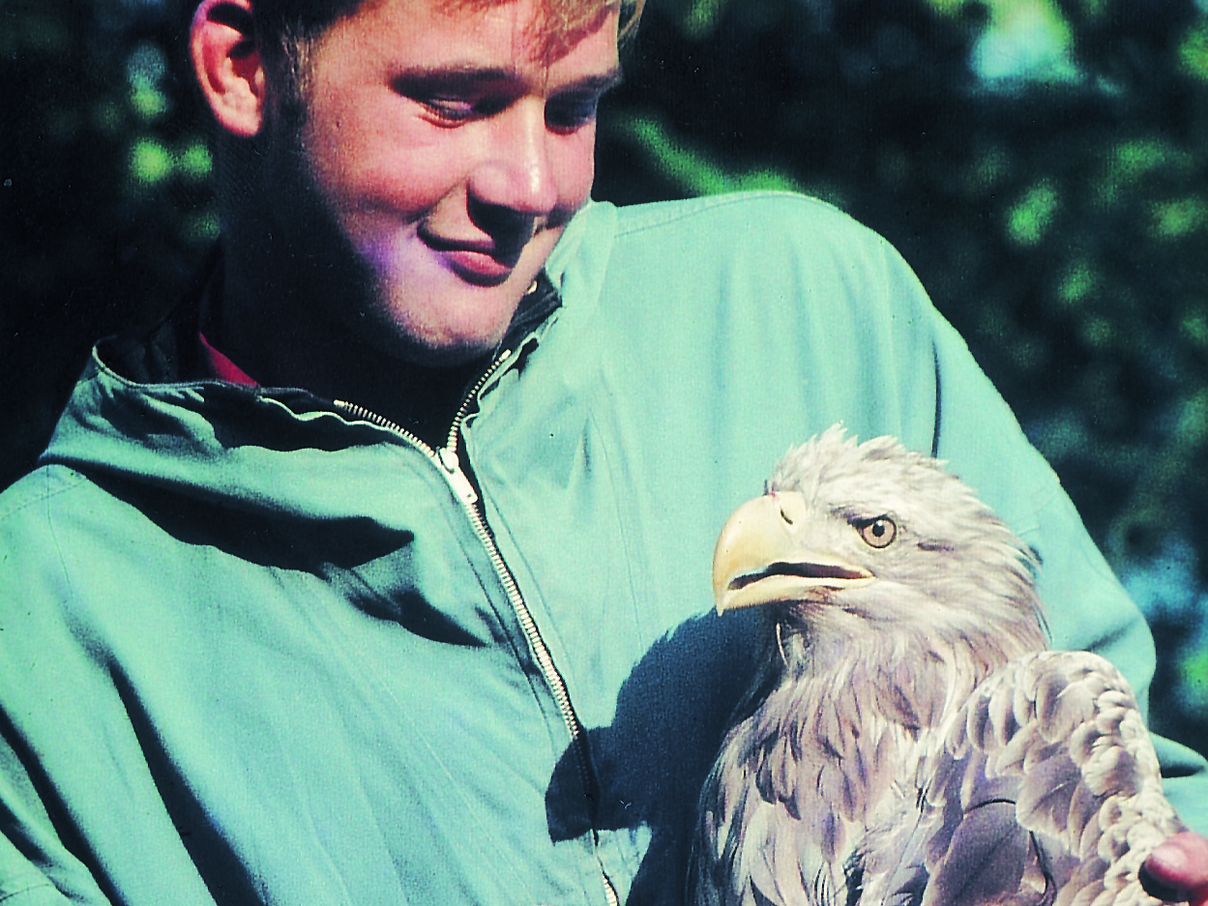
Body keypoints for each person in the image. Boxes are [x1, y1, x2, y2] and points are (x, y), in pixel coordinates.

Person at [1, 0, 1207, 902]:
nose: (531, 184)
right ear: (241, 65)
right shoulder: (41, 618)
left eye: (574, 105)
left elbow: (1122, 793)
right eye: (454, 101)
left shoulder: (807, 301)